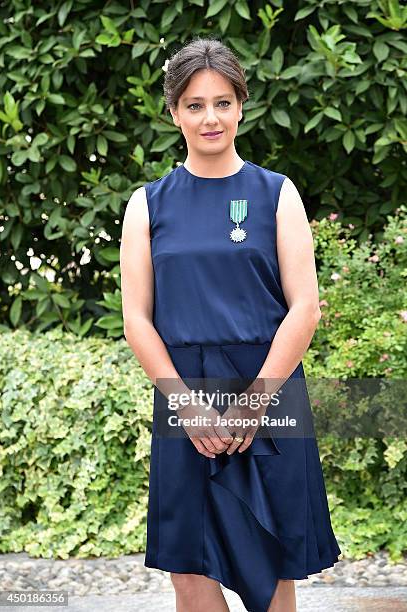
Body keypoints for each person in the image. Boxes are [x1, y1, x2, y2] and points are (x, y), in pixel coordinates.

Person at [120, 36, 341, 612]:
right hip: (183, 393)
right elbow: (137, 319)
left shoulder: (276, 194)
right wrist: (185, 407)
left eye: (222, 102)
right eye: (194, 105)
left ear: (242, 105)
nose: (210, 117)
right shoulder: (147, 204)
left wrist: (255, 401)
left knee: (269, 570)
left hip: (268, 387)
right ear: (173, 113)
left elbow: (304, 307)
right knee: (188, 569)